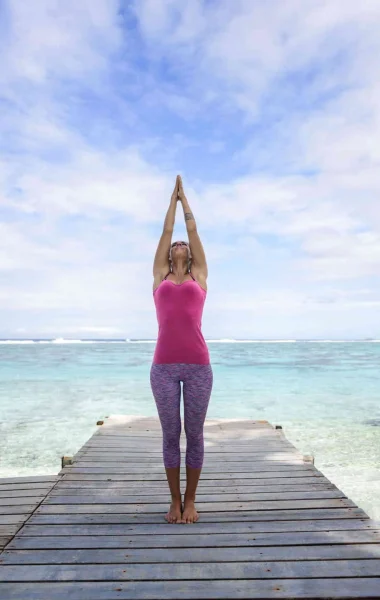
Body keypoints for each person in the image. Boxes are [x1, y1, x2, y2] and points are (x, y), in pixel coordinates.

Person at [150, 174, 213, 524]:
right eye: (174, 243)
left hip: (198, 367)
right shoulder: (159, 278)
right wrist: (170, 203)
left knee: (196, 433)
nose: (178, 243)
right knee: (171, 434)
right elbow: (164, 234)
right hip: (163, 368)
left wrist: (186, 202)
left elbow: (193, 235)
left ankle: (191, 501)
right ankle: (174, 501)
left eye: (182, 244)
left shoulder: (198, 277)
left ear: (188, 255)